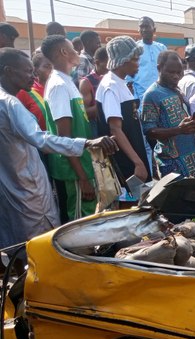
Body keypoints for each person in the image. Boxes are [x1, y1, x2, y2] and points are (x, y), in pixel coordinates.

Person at [0, 48, 117, 248]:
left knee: (17, 240)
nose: (33, 75)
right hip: (26, 186)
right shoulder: (10, 103)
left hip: (15, 182)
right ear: (9, 71)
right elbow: (42, 140)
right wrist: (86, 143)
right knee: (39, 242)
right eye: (28, 71)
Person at [42, 35, 97, 221]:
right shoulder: (58, 85)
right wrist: (82, 177)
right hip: (71, 171)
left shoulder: (67, 82)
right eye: (73, 49)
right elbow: (64, 138)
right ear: (64, 52)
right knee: (78, 221)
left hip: (81, 164)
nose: (78, 53)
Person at [96, 36, 151, 184]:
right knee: (132, 204)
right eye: (134, 59)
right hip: (126, 164)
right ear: (123, 60)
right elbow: (115, 129)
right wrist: (137, 163)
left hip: (134, 156)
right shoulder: (111, 86)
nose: (138, 64)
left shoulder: (121, 82)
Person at [141, 51, 195, 179]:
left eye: (179, 72)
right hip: (171, 164)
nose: (176, 76)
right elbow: (149, 131)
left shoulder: (177, 89)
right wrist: (179, 130)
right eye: (171, 72)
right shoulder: (152, 95)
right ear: (159, 68)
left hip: (191, 158)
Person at [130, 17, 167, 100]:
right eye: (141, 27)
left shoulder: (162, 48)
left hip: (161, 94)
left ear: (154, 29)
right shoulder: (134, 49)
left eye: (147, 26)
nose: (144, 29)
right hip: (141, 96)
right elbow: (128, 77)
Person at [16, 52, 52, 130]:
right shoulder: (26, 92)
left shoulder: (60, 89)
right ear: (35, 71)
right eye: (47, 66)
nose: (52, 70)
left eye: (54, 66)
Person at [79, 46, 108, 137]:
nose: (111, 67)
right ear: (97, 63)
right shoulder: (86, 83)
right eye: (108, 64)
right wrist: (106, 102)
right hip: (96, 130)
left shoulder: (112, 79)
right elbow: (85, 113)